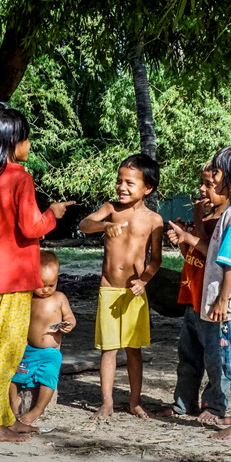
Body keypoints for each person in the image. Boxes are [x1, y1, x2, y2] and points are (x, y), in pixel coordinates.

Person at [0, 101, 74, 442]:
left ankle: (4, 417)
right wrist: (52, 213)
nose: (29, 145)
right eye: (26, 138)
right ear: (12, 141)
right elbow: (32, 226)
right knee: (8, 351)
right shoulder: (20, 177)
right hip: (16, 278)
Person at [168, 144, 231, 440]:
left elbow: (230, 261)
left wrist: (222, 299)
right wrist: (189, 237)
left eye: (218, 174)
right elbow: (214, 250)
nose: (212, 179)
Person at [78, 153, 163, 420]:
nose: (122, 187)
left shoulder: (154, 220)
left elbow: (156, 259)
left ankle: (135, 401)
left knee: (133, 350)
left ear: (147, 188)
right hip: (109, 290)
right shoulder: (111, 209)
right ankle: (107, 402)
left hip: (133, 293)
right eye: (119, 181)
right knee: (109, 349)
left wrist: (144, 281)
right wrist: (105, 225)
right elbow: (84, 224)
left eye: (130, 182)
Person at [158, 162, 231, 424]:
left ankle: (215, 405)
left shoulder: (227, 220)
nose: (201, 189)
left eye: (209, 185)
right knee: (188, 355)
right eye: (202, 183)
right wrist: (181, 240)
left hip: (212, 301)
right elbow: (193, 256)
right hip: (193, 297)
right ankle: (183, 403)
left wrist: (193, 232)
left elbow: (213, 253)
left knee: (215, 359)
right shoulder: (206, 216)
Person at [8, 250, 76, 429]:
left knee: (48, 379)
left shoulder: (60, 298)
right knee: (12, 377)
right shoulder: (27, 298)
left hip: (50, 353)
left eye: (51, 285)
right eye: (41, 284)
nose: (46, 290)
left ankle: (38, 409)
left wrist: (68, 324)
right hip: (28, 349)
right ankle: (13, 408)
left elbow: (70, 317)